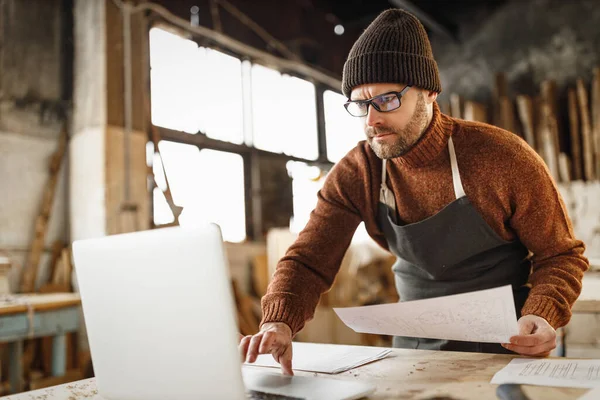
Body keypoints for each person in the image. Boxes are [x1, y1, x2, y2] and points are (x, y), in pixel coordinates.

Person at [239, 8, 589, 376]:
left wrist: (542, 311)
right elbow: (309, 259)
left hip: (506, 354)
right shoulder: (360, 171)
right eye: (360, 104)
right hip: (412, 358)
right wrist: (278, 321)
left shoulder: (502, 158)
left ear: (429, 92)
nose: (372, 120)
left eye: (387, 100)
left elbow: (561, 255)